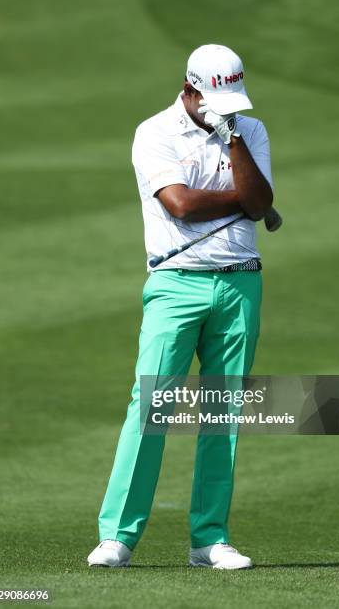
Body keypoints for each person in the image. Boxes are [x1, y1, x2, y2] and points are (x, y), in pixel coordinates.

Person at [88, 44, 274, 569]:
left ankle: (209, 539)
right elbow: (181, 205)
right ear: (191, 89)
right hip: (175, 284)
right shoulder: (155, 132)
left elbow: (259, 203)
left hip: (241, 285)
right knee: (150, 405)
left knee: (225, 413)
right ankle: (117, 537)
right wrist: (245, 199)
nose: (231, 110)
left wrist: (230, 135)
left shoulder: (249, 131)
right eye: (220, 103)